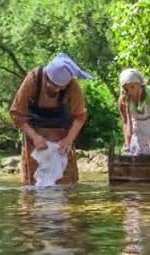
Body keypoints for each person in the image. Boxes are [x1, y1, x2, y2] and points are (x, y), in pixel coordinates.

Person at [9, 53, 93, 186]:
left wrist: (68, 140)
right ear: (47, 76)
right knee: (32, 188)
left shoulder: (72, 85)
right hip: (34, 139)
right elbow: (16, 113)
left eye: (60, 87)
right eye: (53, 85)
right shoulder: (33, 79)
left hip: (61, 137)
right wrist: (35, 137)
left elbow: (80, 116)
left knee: (66, 188)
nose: (56, 90)